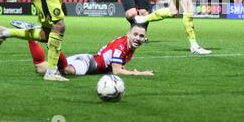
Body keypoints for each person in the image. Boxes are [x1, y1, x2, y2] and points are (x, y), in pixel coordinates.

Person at [15, 21, 154, 77]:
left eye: (141, 36)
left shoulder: (128, 42)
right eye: (135, 34)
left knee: (41, 68)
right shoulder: (121, 46)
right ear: (128, 33)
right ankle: (53, 44)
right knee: (66, 70)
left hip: (88, 58)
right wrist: (139, 73)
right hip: (90, 64)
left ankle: (30, 35)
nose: (138, 38)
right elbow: (116, 71)